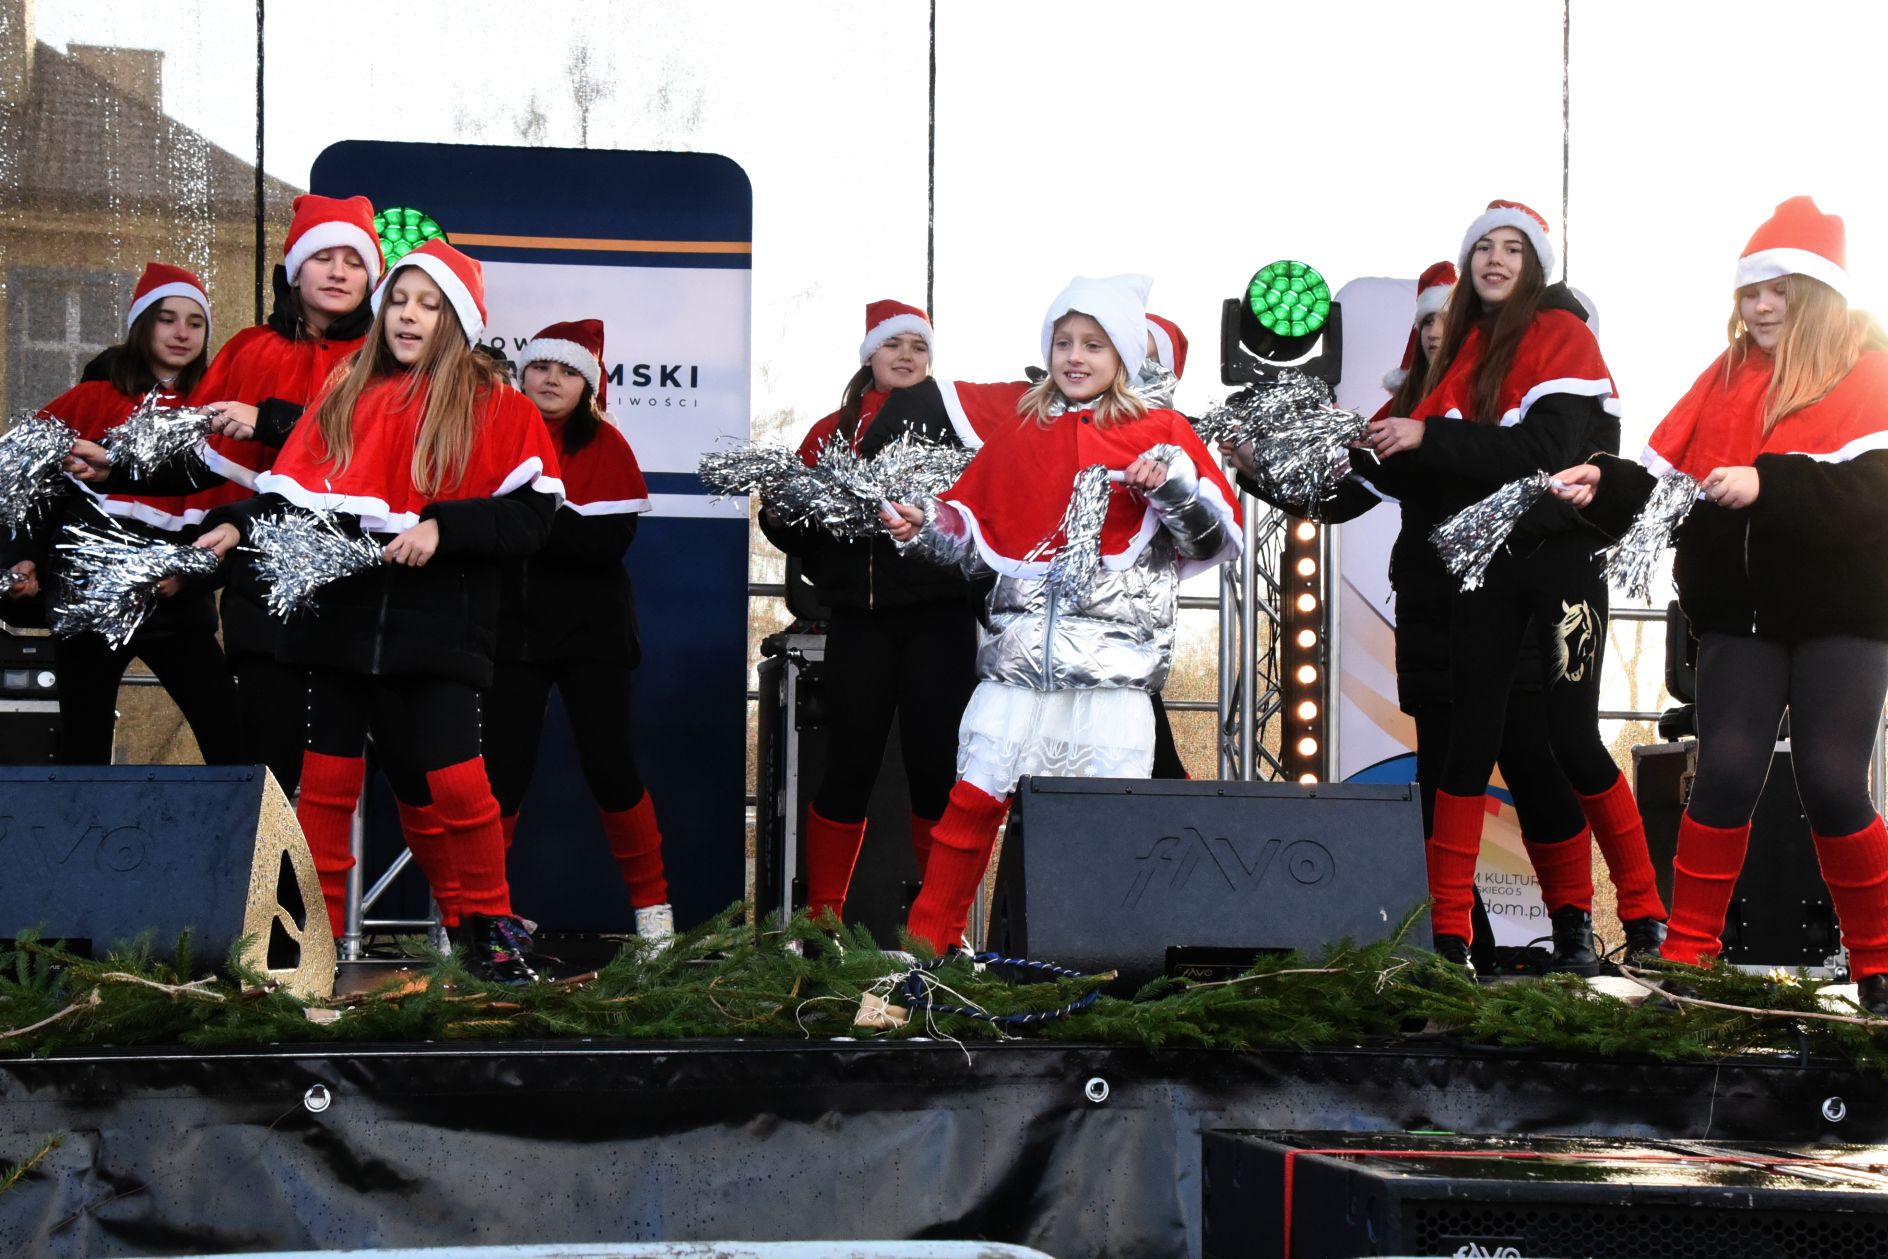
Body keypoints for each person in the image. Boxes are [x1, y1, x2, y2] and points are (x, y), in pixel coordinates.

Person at [194, 239, 562, 983]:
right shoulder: (346, 392)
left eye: (428, 304)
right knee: (326, 789)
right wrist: (236, 523)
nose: (407, 315)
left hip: (439, 628)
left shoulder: (499, 408)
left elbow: (532, 518)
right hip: (337, 622)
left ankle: (489, 934)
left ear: (456, 320)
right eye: (398, 299)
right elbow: (293, 494)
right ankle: (312, 946)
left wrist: (443, 527)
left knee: (460, 787)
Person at [1552, 197, 1888, 1009]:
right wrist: (1608, 481)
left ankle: (1878, 962)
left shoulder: (1870, 371)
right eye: (1751, 293)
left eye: (1778, 291)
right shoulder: (1726, 376)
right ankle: (1689, 957)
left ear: (1817, 293)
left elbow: (1871, 495)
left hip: (1844, 616)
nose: (1761, 307)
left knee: (1833, 783)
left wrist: (1771, 483)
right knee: (1723, 773)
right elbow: (1674, 492)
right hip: (1738, 618)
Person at [1224, 261, 1603, 973]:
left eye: (1447, 319)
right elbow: (1340, 496)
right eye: (1426, 321)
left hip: (1520, 612)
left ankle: (1575, 929)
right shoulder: (1404, 417)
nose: (1435, 333)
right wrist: (1256, 468)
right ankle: (1460, 941)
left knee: (1538, 770)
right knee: (1440, 780)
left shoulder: (1517, 409)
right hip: (1435, 620)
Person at [885, 274, 1242, 955]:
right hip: (1017, 665)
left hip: (1110, 682)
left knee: (1103, 830)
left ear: (1123, 355)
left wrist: (1171, 488)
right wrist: (925, 524)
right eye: (1064, 342)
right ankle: (925, 955)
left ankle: (1100, 965)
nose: (1075, 357)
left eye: (1093, 344)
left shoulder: (1164, 435)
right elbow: (976, 538)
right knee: (969, 808)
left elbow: (1208, 541)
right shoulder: (1021, 432)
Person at [1361, 202, 1667, 968]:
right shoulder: (1465, 351)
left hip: (1563, 566)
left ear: (1536, 265)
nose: (1494, 260)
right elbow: (1420, 467)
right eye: (1483, 248)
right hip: (1486, 569)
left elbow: (1542, 451)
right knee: (1466, 748)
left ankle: (1643, 918)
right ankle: (1451, 939)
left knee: (1571, 744)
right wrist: (1303, 455)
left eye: (1512, 248)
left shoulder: (1565, 336)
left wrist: (1430, 435)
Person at [66, 195, 384, 799]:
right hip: (258, 586)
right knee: (265, 770)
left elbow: (368, 447)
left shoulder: (385, 360)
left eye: (354, 261)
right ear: (296, 269)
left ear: (371, 277)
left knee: (338, 772)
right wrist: (119, 466)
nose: (339, 272)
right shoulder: (248, 349)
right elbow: (200, 460)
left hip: (358, 587)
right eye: (324, 258)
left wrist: (269, 421)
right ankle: (266, 866)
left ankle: (322, 868)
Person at [758, 301, 982, 924]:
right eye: (893, 345)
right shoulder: (829, 432)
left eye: (919, 346)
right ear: (869, 355)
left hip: (939, 622)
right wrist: (777, 517)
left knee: (936, 772)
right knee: (846, 769)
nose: (907, 356)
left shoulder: (959, 428)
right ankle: (821, 925)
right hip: (858, 623)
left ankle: (939, 928)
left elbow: (980, 521)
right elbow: (800, 532)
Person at [482, 319, 675, 947]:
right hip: (512, 632)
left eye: (567, 371)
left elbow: (603, 546)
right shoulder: (493, 432)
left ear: (588, 385)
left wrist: (527, 513)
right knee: (500, 776)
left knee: (612, 771)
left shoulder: (608, 444)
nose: (551, 380)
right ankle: (483, 920)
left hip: (593, 633)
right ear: (522, 374)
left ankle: (655, 918)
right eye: (541, 367)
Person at [19, 263, 242, 766]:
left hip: (179, 609)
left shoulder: (216, 414)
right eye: (167, 319)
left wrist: (187, 579)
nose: (182, 333)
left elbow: (235, 517)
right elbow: (29, 487)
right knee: (84, 750)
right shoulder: (91, 399)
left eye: (195, 323)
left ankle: (245, 823)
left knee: (230, 741)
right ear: (142, 324)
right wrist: (24, 557)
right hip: (91, 606)